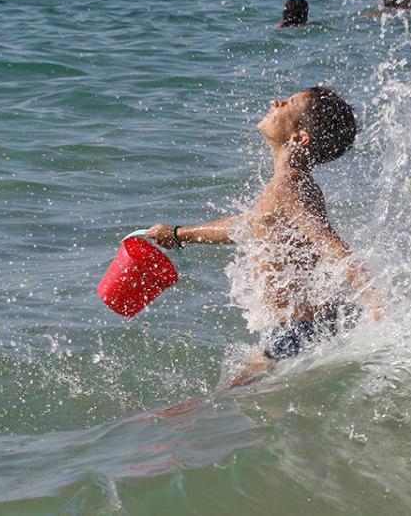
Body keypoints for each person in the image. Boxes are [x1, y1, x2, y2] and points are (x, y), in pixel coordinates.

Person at [146, 87, 381, 387]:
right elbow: (249, 225)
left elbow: (330, 245)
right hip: (305, 327)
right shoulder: (290, 183)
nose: (276, 102)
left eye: (289, 104)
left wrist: (376, 300)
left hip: (295, 332)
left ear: (299, 138)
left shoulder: (290, 185)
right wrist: (180, 235)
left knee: (218, 406)